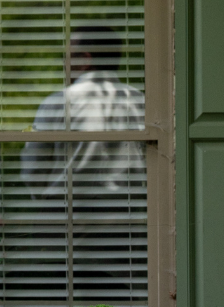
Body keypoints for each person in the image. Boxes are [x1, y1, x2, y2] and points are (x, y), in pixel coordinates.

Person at [20, 26, 146, 197]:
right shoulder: (140, 101)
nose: (64, 64)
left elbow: (33, 169)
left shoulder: (59, 102)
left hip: (68, 214)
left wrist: (45, 200)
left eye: (66, 57)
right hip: (129, 215)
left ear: (84, 60)